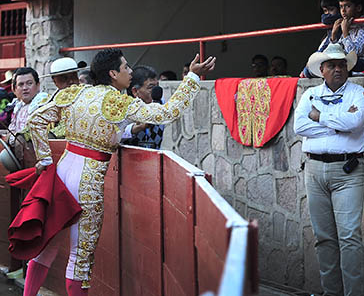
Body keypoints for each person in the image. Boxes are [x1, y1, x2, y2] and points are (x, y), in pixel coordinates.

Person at [24, 49, 216, 295]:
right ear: (113, 73)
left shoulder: (75, 93)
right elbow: (167, 113)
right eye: (126, 67)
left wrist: (44, 160)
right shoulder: (118, 102)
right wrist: (192, 78)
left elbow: (36, 120)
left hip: (61, 174)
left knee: (47, 246)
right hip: (88, 183)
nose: (130, 71)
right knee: (79, 259)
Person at [293, 43, 364, 296]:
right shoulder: (310, 95)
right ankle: (331, 293)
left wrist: (320, 117)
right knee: (324, 237)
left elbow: (355, 122)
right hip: (315, 169)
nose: (338, 69)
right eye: (332, 66)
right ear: (322, 70)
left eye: (342, 65)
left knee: (349, 237)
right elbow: (299, 127)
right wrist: (339, 126)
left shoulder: (359, 95)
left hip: (347, 171)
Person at [301, 0, 341, 78]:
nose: (327, 14)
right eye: (325, 11)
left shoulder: (341, 25)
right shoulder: (329, 30)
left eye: (331, 10)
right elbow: (323, 48)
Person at [122, 65, 164, 149]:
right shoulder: (122, 108)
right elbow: (111, 136)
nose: (156, 91)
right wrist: (136, 128)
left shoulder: (160, 104)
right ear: (135, 91)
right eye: (151, 87)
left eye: (157, 86)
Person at [6, 68, 49, 146]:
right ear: (15, 89)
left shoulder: (44, 104)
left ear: (38, 85)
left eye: (29, 83)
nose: (25, 88)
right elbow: (11, 131)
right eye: (21, 84)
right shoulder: (18, 106)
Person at [331, 0, 364, 72]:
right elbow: (336, 50)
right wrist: (334, 34)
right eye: (341, 7)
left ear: (358, 8)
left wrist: (345, 33)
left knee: (344, 63)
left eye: (347, 6)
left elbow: (354, 53)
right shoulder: (347, 24)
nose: (343, 10)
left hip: (363, 62)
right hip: (348, 61)